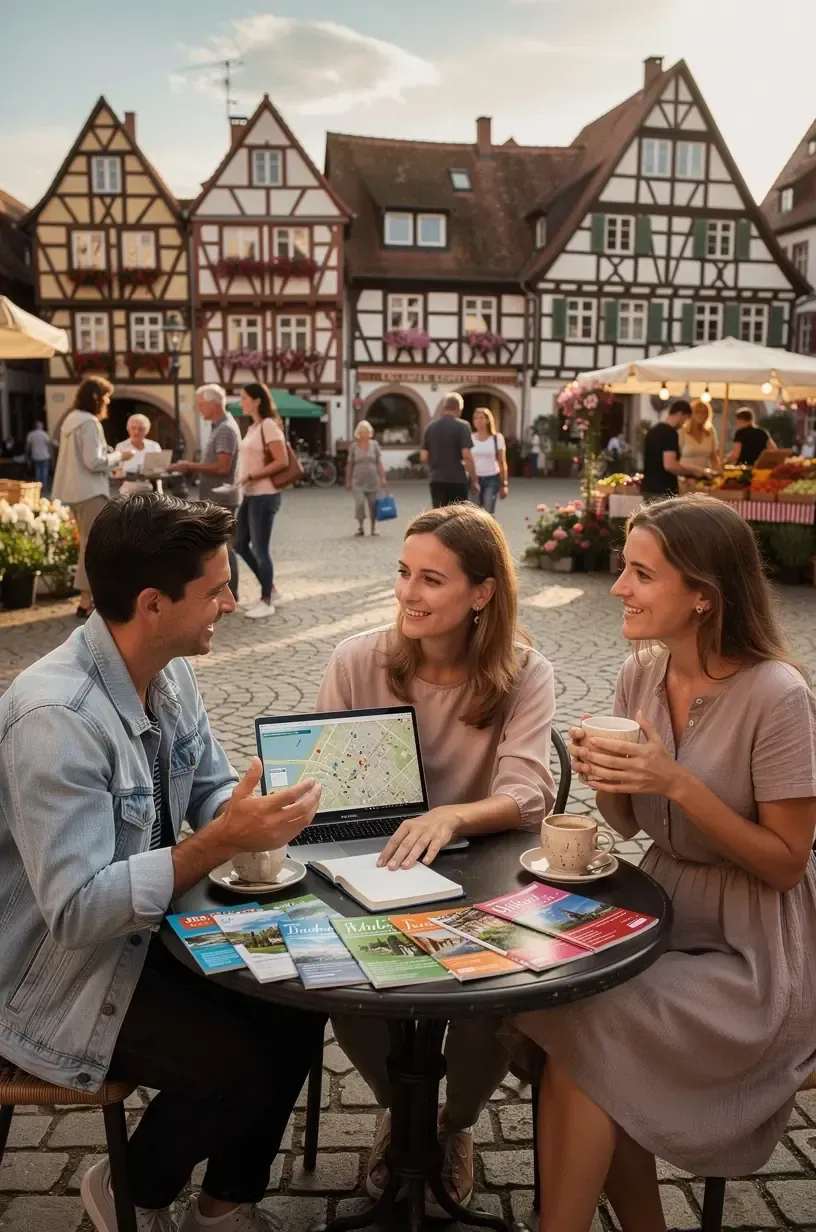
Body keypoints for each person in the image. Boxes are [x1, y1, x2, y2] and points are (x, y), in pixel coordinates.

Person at [0, 493, 324, 1232]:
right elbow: (77, 912)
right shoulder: (57, 719)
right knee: (235, 1066)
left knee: (300, 1006)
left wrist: (250, 816)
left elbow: (208, 786)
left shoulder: (167, 670)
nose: (231, 604)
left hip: (147, 937)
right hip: (52, 978)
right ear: (153, 604)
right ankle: (131, 1191)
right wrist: (218, 843)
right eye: (215, 590)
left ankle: (223, 1207)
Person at [507, 495, 816, 1232]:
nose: (619, 587)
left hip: (756, 951)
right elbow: (627, 823)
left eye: (642, 574)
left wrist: (675, 782)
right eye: (624, 568)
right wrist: (611, 778)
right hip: (660, 914)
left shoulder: (778, 696)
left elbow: (785, 863)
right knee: (555, 992)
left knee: (589, 1027)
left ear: (704, 595)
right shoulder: (640, 674)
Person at [316, 503, 556, 1218]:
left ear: (482, 593)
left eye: (430, 579)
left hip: (483, 877)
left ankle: (453, 1125)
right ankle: (404, 1114)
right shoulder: (358, 660)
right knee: (348, 990)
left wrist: (451, 814)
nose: (407, 593)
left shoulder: (524, 672)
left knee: (494, 1002)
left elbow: (528, 793)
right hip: (375, 870)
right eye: (403, 573)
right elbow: (325, 789)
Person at [52, 376, 130, 619]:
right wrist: (120, 456)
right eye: (106, 396)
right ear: (96, 397)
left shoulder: (71, 419)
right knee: (93, 546)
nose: (108, 401)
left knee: (88, 544)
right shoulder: (89, 422)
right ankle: (87, 601)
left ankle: (88, 600)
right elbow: (93, 461)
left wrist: (107, 453)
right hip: (90, 491)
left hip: (74, 491)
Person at [169, 385, 242, 599]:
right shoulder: (220, 426)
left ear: (213, 403)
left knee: (224, 547)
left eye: (201, 404)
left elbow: (223, 466)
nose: (198, 408)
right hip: (218, 495)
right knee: (220, 546)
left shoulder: (225, 429)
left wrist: (190, 466)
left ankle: (230, 594)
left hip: (222, 496)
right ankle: (226, 592)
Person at [235, 382, 288, 619]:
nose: (241, 402)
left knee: (260, 549)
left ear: (257, 400)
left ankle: (266, 601)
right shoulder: (253, 426)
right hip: (250, 494)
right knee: (238, 543)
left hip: (265, 495)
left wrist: (251, 476)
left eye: (244, 398)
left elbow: (282, 461)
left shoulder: (268, 425)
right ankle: (272, 589)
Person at [640, 400, 708, 499]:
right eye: (685, 419)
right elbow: (670, 465)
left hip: (648, 489)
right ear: (681, 414)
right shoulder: (670, 433)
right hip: (664, 491)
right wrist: (693, 472)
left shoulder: (652, 431)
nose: (684, 424)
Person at [420, 392, 477, 507]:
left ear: (444, 407)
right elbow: (466, 455)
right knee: (458, 514)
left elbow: (423, 457)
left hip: (436, 478)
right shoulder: (463, 426)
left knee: (440, 514)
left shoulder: (430, 427)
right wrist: (474, 479)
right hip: (457, 479)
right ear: (459, 408)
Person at [346, 418, 387, 536]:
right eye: (362, 432)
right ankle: (360, 527)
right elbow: (350, 464)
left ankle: (373, 528)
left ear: (369, 433)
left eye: (366, 431)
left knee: (373, 504)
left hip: (372, 479)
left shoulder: (375, 445)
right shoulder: (354, 446)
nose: (364, 434)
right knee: (359, 504)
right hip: (357, 480)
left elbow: (379, 462)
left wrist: (383, 477)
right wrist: (348, 480)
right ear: (358, 433)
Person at [470, 406, 509, 514]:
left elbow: (502, 462)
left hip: (491, 478)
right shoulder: (470, 437)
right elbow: (466, 459)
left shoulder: (497, 438)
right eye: (475, 418)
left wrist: (504, 484)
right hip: (475, 478)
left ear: (487, 420)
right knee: (475, 512)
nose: (478, 420)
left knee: (488, 510)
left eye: (481, 418)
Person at [115, 412, 162, 495]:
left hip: (151, 493)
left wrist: (159, 492)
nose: (136, 432)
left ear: (146, 431)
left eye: (140, 429)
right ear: (128, 429)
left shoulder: (154, 446)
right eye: (133, 428)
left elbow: (160, 470)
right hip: (127, 493)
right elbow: (116, 471)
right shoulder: (121, 447)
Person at [679, 398, 720, 472]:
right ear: (691, 414)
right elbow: (674, 457)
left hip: (704, 475)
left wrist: (716, 472)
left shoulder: (710, 432)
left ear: (707, 415)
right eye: (697, 412)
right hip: (685, 474)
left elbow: (713, 457)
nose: (700, 415)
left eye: (704, 413)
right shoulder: (682, 432)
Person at [25, 419, 52, 491]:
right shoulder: (44, 434)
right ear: (41, 426)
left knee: (38, 471)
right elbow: (48, 444)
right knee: (45, 472)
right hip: (45, 455)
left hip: (35, 456)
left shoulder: (31, 434)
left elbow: (27, 446)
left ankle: (38, 487)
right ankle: (44, 487)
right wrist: (50, 454)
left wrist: (27, 454)